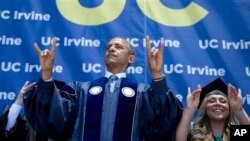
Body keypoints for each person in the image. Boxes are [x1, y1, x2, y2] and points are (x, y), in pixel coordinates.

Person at [23, 35, 183, 141]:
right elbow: (54, 118)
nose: (111, 49)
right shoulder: (79, 91)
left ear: (131, 59)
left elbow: (162, 122)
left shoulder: (143, 93)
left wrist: (157, 76)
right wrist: (46, 75)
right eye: (108, 47)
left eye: (118, 47)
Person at [176, 77, 250, 141]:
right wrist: (189, 110)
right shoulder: (195, 135)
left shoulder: (237, 134)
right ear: (205, 108)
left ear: (229, 109)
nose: (217, 103)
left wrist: (238, 110)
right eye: (211, 101)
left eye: (223, 101)